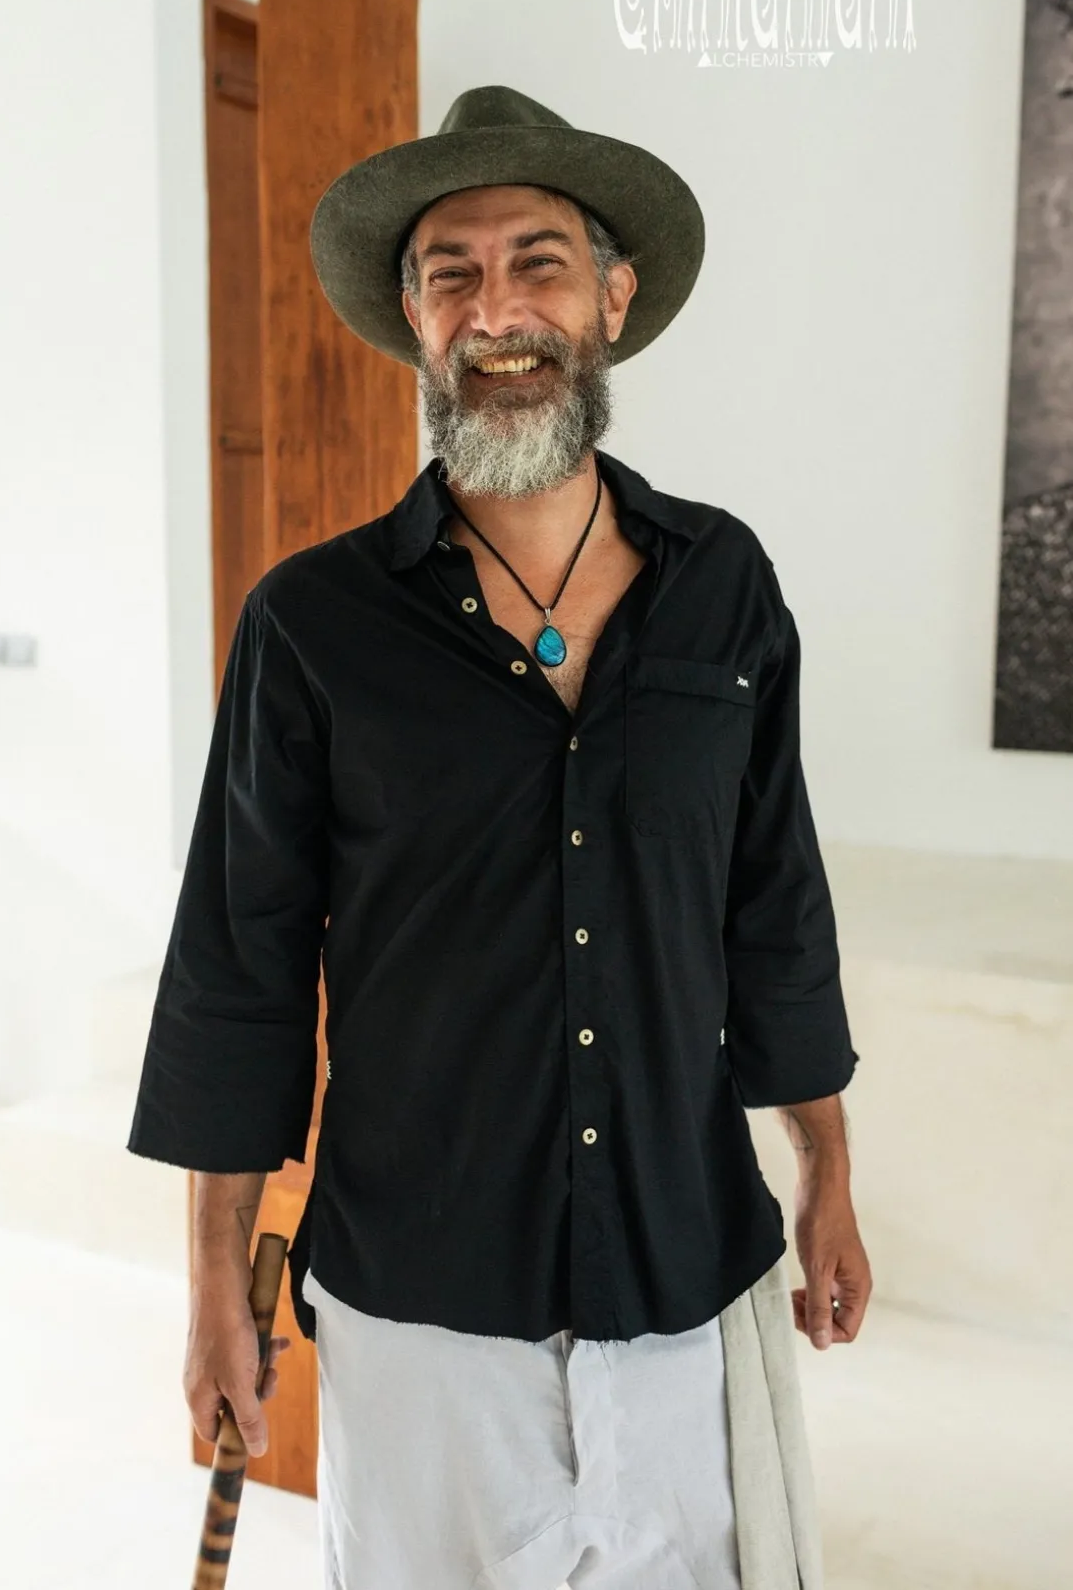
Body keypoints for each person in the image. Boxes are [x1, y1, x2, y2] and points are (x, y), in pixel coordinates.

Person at [128, 85, 872, 1589]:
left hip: (685, 1263)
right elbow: (238, 970)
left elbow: (774, 902)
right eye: (451, 275)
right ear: (415, 320)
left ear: (613, 298)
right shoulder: (312, 624)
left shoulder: (724, 584)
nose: (497, 311)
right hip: (422, 1299)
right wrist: (211, 1279)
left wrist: (827, 1170)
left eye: (538, 263)